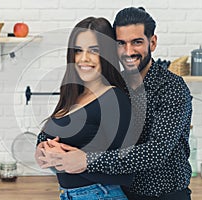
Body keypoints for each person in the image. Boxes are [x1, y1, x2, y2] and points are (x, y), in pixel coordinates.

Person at [37, 7, 193, 200]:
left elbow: (157, 150)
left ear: (152, 42)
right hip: (120, 192)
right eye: (120, 43)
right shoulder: (115, 84)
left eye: (136, 42)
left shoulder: (171, 87)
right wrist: (44, 145)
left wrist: (86, 160)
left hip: (164, 195)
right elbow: (73, 122)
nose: (128, 51)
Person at [35, 16, 136, 200]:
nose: (83, 58)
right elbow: (50, 133)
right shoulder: (73, 94)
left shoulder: (114, 99)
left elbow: (127, 170)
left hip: (101, 195)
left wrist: (82, 163)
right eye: (78, 50)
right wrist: (42, 149)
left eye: (94, 50)